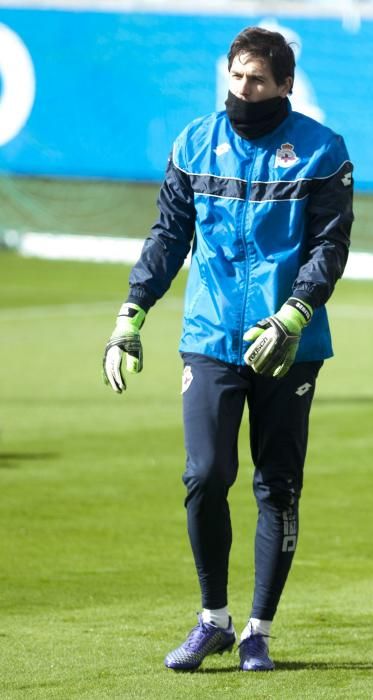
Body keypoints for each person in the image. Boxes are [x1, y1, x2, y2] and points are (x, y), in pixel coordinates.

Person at [103, 26, 354, 672]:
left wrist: (293, 316)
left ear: (285, 86)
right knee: (206, 474)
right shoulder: (194, 144)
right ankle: (212, 619)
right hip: (210, 337)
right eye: (236, 77)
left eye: (258, 80)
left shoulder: (323, 153)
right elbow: (168, 238)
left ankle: (257, 632)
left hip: (290, 344)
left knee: (278, 488)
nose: (244, 90)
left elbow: (329, 247)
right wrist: (132, 312)